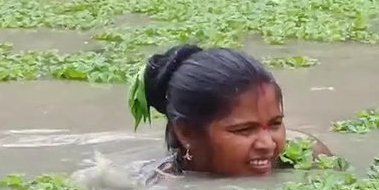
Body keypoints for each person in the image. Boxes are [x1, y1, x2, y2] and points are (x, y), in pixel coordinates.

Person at [128, 45, 331, 180]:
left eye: (275, 124)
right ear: (187, 133)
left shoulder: (310, 157)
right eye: (244, 130)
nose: (268, 144)